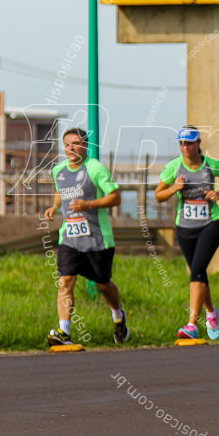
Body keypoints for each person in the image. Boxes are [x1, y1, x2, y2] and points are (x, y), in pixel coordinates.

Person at [43, 128, 129, 346]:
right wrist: (54, 208)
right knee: (65, 282)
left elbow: (116, 197)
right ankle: (64, 333)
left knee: (103, 285)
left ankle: (118, 315)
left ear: (86, 146)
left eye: (76, 143)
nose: (72, 148)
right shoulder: (58, 170)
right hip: (69, 239)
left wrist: (88, 204)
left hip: (97, 240)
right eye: (68, 144)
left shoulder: (95, 168)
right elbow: (59, 191)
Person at [155, 126, 219, 340]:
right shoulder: (174, 167)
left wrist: (217, 193)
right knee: (197, 273)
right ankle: (211, 312)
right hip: (185, 227)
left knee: (198, 270)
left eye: (189, 143)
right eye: (181, 143)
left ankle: (192, 324)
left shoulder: (210, 165)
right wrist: (174, 188)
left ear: (198, 143)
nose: (185, 147)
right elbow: (158, 195)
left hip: (211, 224)